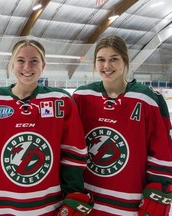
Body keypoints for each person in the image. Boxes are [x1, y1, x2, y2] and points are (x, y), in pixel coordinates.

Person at [0, 39, 94, 216]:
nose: (27, 67)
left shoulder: (61, 101)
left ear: (43, 65)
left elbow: (73, 153)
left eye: (34, 61)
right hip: (0, 206)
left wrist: (73, 194)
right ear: (12, 64)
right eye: (21, 60)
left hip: (50, 206)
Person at [73, 35, 172, 216]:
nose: (107, 66)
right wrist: (69, 189)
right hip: (87, 203)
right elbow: (68, 145)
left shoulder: (148, 99)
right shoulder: (82, 96)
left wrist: (160, 187)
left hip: (130, 204)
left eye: (114, 59)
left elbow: (162, 151)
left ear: (125, 61)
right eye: (101, 60)